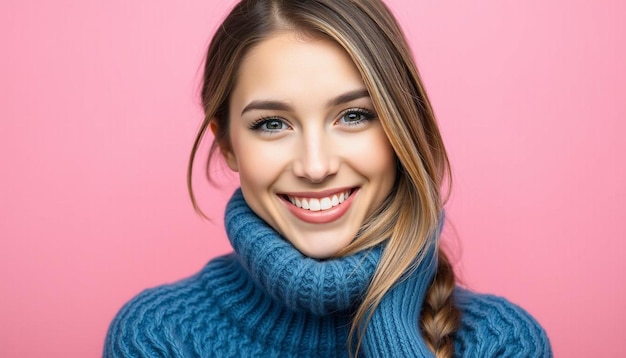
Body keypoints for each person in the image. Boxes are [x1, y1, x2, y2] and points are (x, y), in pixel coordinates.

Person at [104, 0, 552, 357]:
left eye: (354, 116)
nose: (315, 167)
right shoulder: (161, 337)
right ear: (227, 145)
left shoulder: (501, 344)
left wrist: (389, 320)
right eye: (272, 124)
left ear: (402, 128)